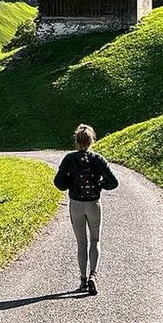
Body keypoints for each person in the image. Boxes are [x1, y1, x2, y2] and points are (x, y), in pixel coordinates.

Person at [53, 123, 119, 295]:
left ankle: (82, 280)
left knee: (81, 243)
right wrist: (100, 185)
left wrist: (71, 184)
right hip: (93, 204)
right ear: (91, 141)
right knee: (95, 240)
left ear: (76, 140)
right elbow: (114, 182)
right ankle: (93, 275)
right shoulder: (98, 159)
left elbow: (58, 183)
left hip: (75, 204)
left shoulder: (69, 159)